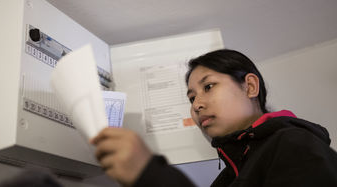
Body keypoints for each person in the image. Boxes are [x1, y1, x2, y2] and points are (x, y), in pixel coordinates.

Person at [91, 49, 337, 187]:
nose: (197, 104)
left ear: (250, 87)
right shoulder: (228, 177)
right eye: (191, 98)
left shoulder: (294, 144)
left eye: (208, 86)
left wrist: (152, 176)